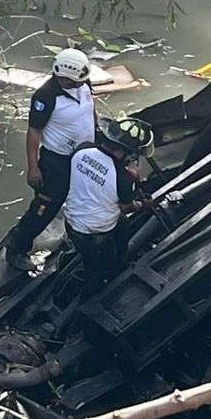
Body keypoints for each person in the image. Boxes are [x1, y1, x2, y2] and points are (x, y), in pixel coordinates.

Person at [3, 47, 95, 273]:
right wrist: (33, 167)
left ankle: (73, 237)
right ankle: (16, 247)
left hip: (82, 157)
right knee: (45, 206)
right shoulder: (45, 96)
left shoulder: (83, 84)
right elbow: (34, 132)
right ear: (62, 75)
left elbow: (89, 111)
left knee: (80, 199)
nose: (79, 85)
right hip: (56, 162)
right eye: (74, 82)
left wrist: (97, 134)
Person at [62, 117, 154, 300]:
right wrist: (143, 204)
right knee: (102, 274)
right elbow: (126, 206)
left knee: (122, 224)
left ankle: (101, 257)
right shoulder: (123, 179)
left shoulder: (82, 151)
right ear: (128, 153)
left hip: (71, 222)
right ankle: (86, 303)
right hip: (95, 235)